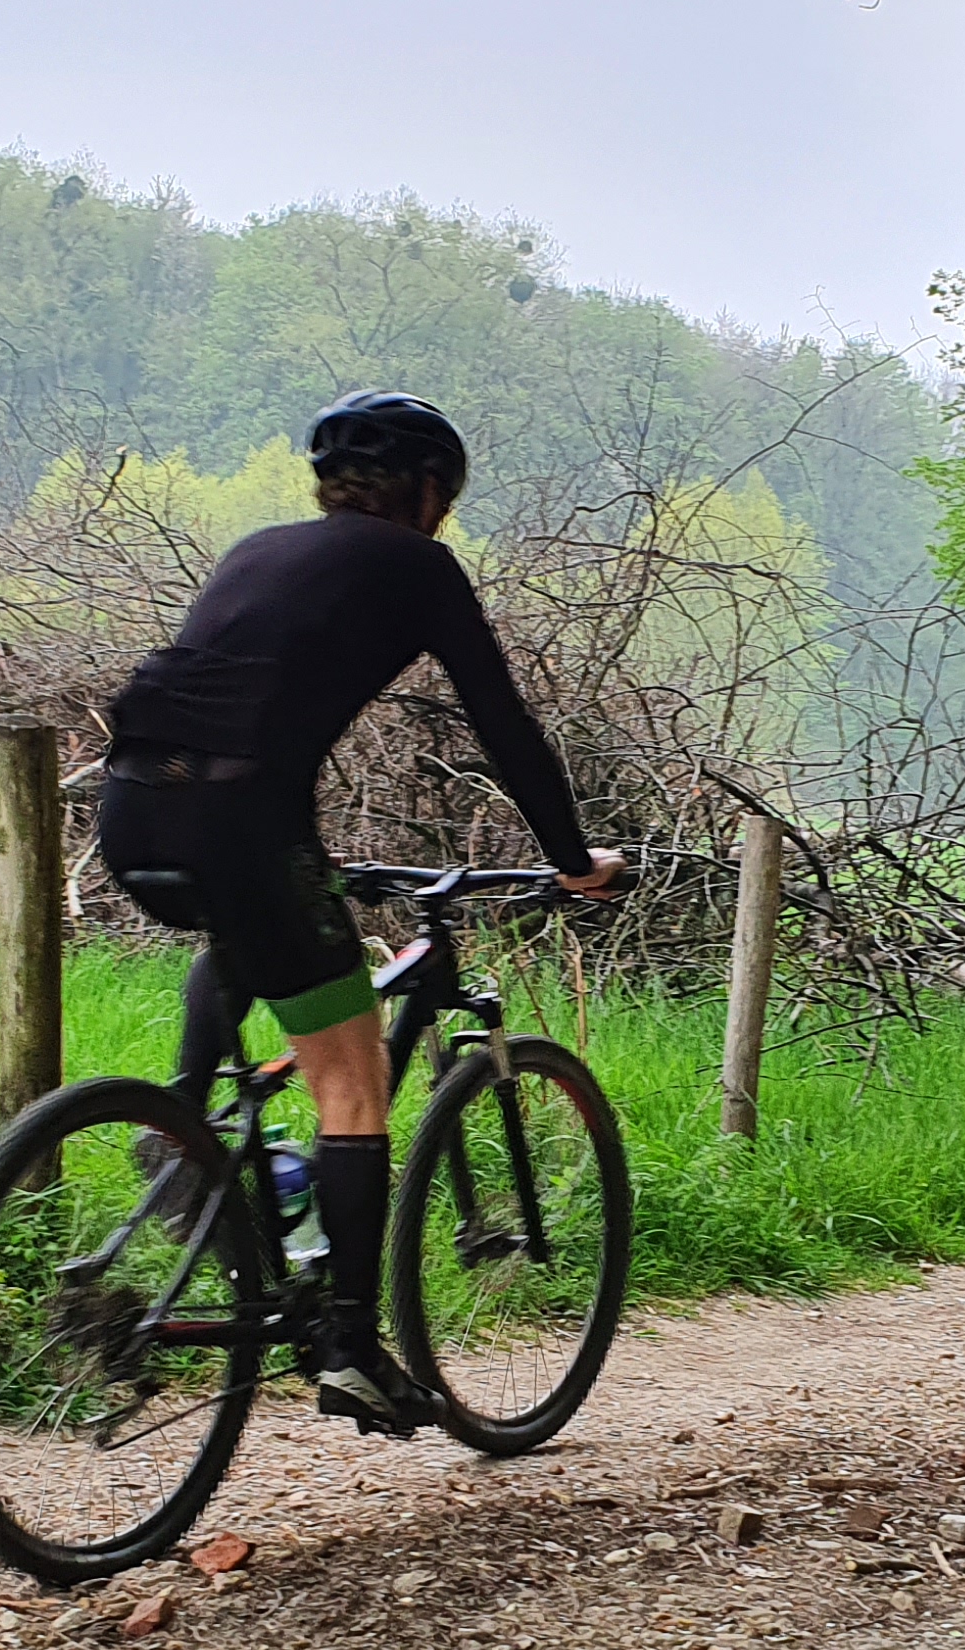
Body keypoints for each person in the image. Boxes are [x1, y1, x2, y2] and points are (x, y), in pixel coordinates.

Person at [97, 389, 622, 1434]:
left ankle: (186, 1123)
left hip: (134, 806)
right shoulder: (418, 566)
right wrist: (573, 861)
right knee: (356, 1080)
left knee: (256, 924)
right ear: (430, 493)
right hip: (247, 816)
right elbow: (504, 728)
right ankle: (347, 1344)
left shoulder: (257, 548)